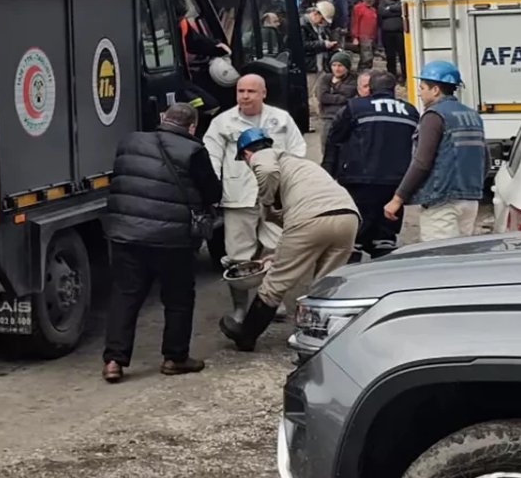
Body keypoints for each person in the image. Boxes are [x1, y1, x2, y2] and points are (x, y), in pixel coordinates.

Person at [101, 103, 221, 383]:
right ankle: (174, 358)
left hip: (127, 233)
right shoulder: (194, 151)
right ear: (192, 127)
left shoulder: (130, 141)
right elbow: (212, 192)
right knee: (178, 298)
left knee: (125, 295)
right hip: (173, 239)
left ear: (163, 119)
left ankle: (114, 362)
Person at [220, 128, 359, 352]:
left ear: (246, 154)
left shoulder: (263, 156)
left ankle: (246, 335)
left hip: (311, 219)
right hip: (348, 217)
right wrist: (281, 253)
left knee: (275, 284)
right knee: (327, 284)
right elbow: (302, 228)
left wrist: (265, 203)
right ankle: (318, 336)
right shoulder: (301, 165)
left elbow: (266, 171)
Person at [203, 74, 306, 323]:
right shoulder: (223, 122)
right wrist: (214, 188)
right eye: (241, 91)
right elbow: (211, 155)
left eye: (251, 91)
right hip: (238, 198)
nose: (245, 96)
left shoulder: (281, 119)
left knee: (277, 251)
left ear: (263, 93)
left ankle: (274, 301)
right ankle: (240, 308)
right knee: (238, 256)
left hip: (275, 197)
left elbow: (297, 152)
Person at [384, 61, 486, 242]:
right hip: (470, 200)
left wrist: (398, 198)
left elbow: (422, 162)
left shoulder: (434, 116)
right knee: (461, 259)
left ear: (436, 90)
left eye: (422, 88)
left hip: (441, 202)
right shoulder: (472, 116)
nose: (419, 93)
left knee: (440, 262)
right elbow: (484, 158)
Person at [324, 70, 419, 258]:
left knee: (355, 237)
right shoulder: (410, 111)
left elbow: (335, 138)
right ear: (393, 90)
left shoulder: (355, 107)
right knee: (385, 239)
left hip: (359, 181)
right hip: (395, 184)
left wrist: (329, 172)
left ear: (372, 88)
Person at [316, 52, 358, 125]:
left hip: (347, 115)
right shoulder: (326, 78)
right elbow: (322, 97)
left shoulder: (354, 79)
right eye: (334, 65)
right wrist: (341, 97)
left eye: (340, 66)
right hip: (328, 115)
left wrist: (333, 89)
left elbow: (349, 94)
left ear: (347, 67)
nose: (336, 69)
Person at [378, 0, 406, 79]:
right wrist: (396, 11)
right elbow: (382, 12)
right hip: (387, 33)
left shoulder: (404, 0)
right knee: (390, 57)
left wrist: (390, 8)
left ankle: (405, 76)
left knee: (403, 56)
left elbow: (402, 9)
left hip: (400, 33)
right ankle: (391, 76)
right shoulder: (383, 1)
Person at [302, 4, 339, 72]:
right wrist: (323, 44)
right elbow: (302, 45)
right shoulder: (302, 26)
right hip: (309, 66)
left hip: (318, 64)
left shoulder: (317, 26)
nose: (322, 22)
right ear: (315, 14)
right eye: (322, 19)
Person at [351, 0, 379, 71]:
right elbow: (354, 22)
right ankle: (362, 74)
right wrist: (355, 37)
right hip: (363, 37)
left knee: (370, 58)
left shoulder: (373, 10)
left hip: (372, 37)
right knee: (366, 58)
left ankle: (366, 75)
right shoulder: (358, 8)